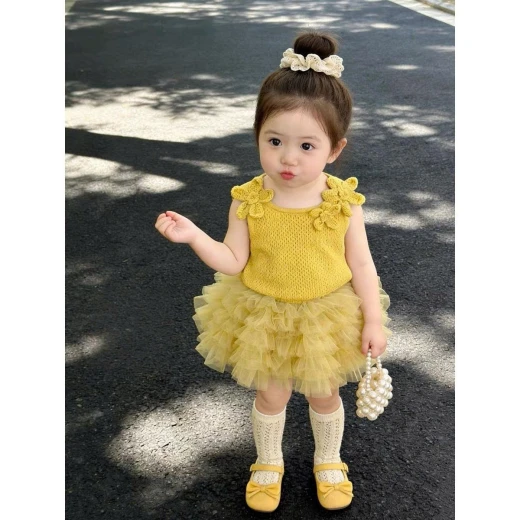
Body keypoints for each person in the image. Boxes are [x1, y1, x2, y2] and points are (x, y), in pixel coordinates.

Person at [155, 31, 391, 513]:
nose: (288, 157)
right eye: (275, 141)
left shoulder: (342, 202)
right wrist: (195, 236)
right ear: (258, 135)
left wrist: (372, 318)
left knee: (324, 394)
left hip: (325, 314)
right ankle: (268, 462)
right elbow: (233, 260)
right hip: (264, 312)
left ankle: (329, 459)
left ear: (334, 149)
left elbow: (361, 263)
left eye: (307, 145)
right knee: (271, 394)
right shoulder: (249, 199)